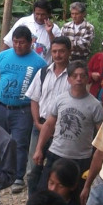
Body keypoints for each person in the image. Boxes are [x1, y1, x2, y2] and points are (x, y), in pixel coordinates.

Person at [0, 25, 48, 193]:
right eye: (15, 42)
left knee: (20, 143)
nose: (18, 46)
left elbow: (43, 90)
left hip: (24, 110)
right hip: (1, 106)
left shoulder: (40, 63)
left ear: (30, 43)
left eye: (22, 43)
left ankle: (18, 177)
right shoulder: (3, 56)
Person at [33, 60, 103, 190]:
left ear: (87, 79)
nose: (79, 79)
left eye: (82, 76)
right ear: (69, 79)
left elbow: (102, 135)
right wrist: (39, 149)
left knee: (74, 196)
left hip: (81, 158)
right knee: (45, 190)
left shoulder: (95, 105)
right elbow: (48, 125)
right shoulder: (60, 99)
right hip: (56, 153)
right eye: (75, 76)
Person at [26, 36, 71, 194]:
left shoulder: (73, 76)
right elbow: (34, 99)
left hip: (62, 129)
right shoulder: (43, 73)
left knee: (57, 172)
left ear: (69, 52)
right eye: (54, 51)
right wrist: (37, 121)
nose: (57, 55)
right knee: (33, 168)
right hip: (40, 126)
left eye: (61, 52)